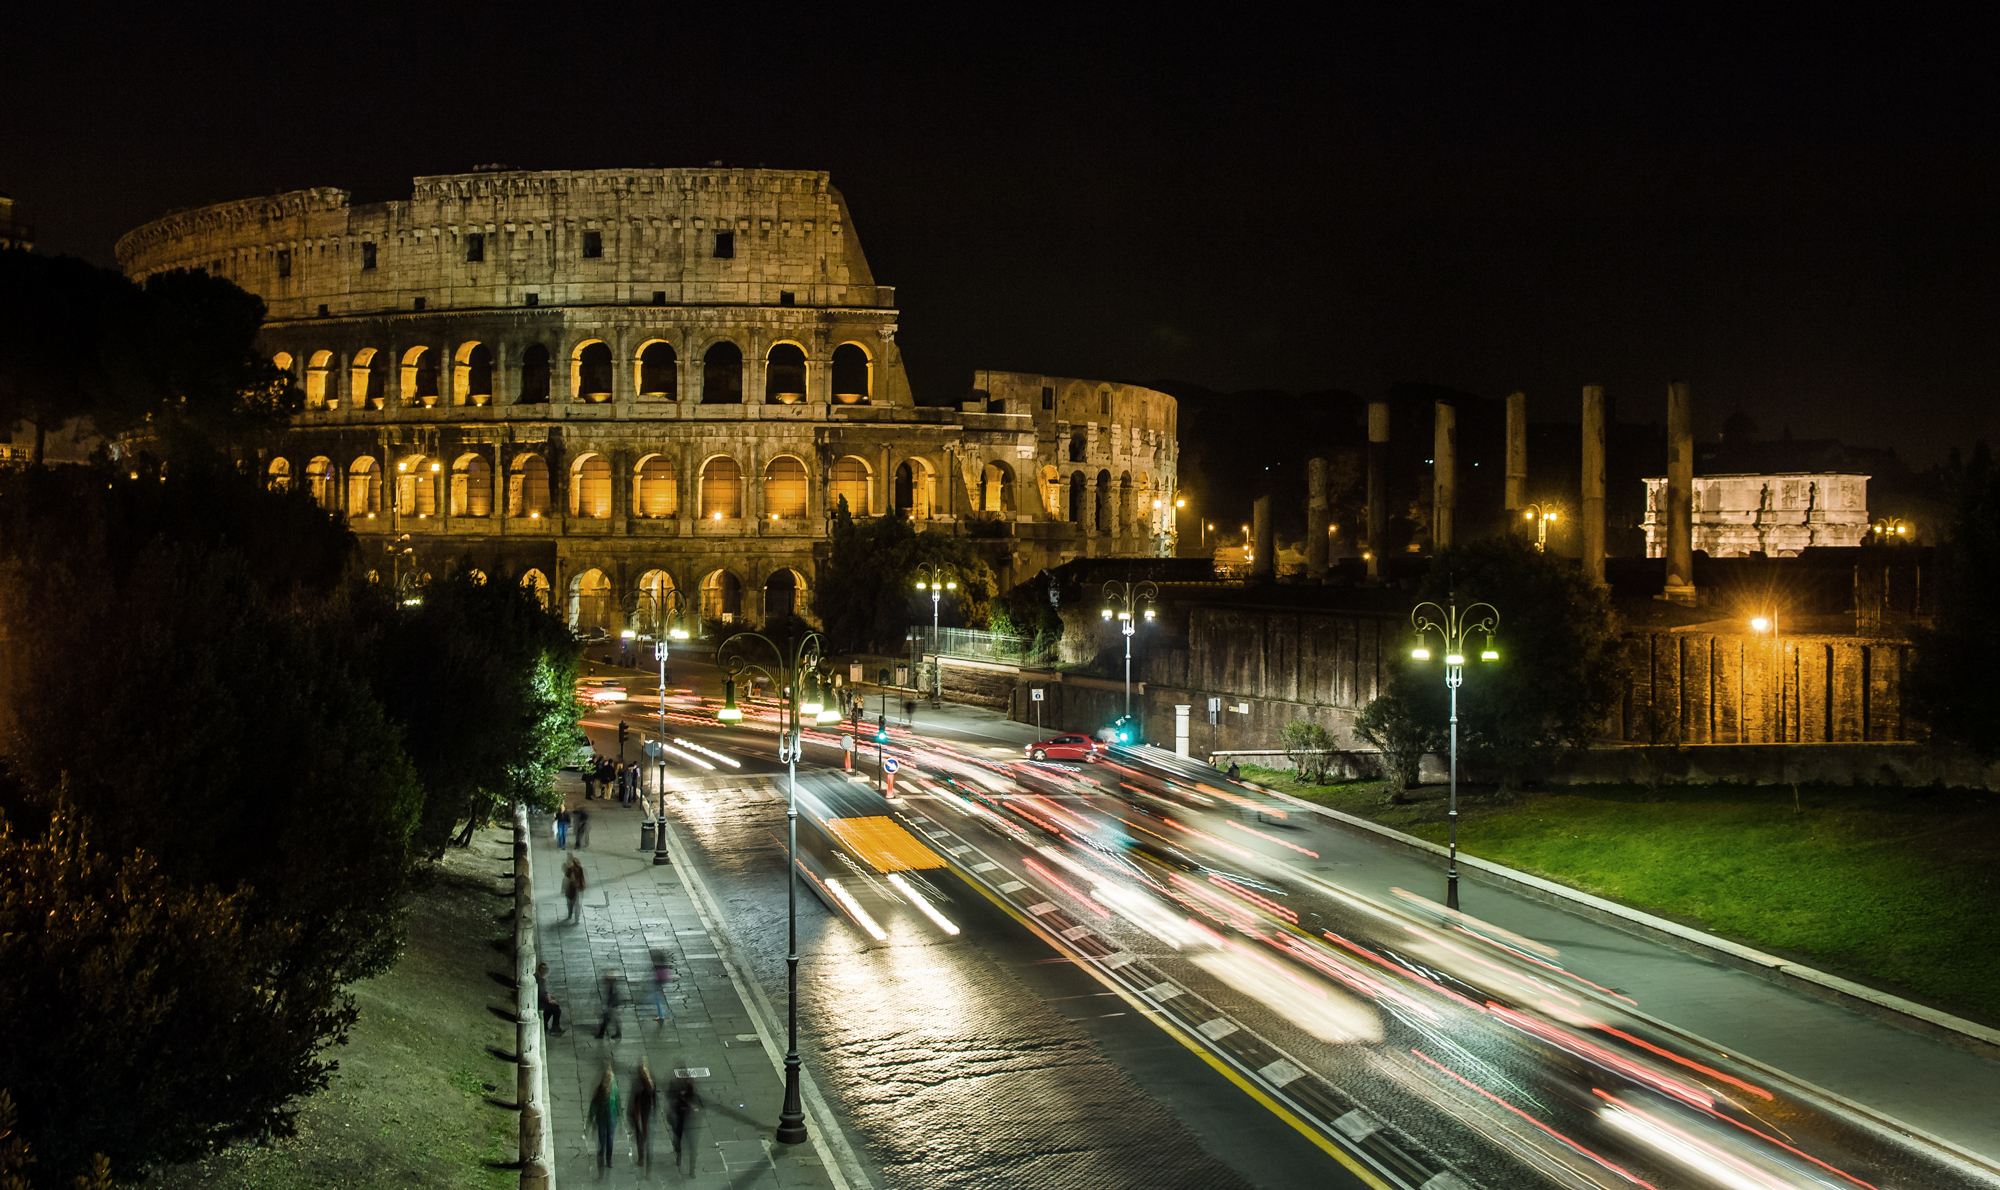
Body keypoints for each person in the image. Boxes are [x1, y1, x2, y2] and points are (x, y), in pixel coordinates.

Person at [586, 1067, 619, 1173]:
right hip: (602, 1120)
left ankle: (608, 1159)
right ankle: (601, 1157)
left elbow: (617, 1102)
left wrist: (620, 1116)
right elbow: (593, 1106)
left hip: (611, 1119)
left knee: (610, 1140)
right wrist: (590, 1120)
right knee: (602, 1141)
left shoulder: (614, 1090)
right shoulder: (599, 1091)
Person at [665, 1074, 700, 1172]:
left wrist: (691, 1108)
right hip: (680, 1122)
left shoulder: (691, 1094)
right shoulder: (676, 1098)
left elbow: (698, 1105)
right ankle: (679, 1156)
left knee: (692, 1147)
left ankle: (692, 1169)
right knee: (678, 1142)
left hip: (689, 1122)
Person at [628, 1060, 657, 1172]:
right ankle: (641, 1157)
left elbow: (654, 1097)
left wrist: (655, 1109)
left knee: (649, 1140)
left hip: (648, 1113)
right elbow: (632, 1099)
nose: (645, 1074)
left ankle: (648, 1166)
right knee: (640, 1137)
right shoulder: (637, 1084)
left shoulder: (651, 1082)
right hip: (639, 1113)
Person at [594, 970, 624, 1040]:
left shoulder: (613, 986)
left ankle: (602, 1034)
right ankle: (603, 1034)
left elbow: (614, 996)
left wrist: (613, 1005)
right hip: (613, 1005)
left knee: (610, 1019)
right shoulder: (613, 985)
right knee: (609, 1020)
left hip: (613, 1006)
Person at [535, 961, 563, 1034]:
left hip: (540, 1000)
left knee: (554, 1006)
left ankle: (548, 1024)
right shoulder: (539, 980)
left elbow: (542, 992)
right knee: (556, 1009)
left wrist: (548, 995)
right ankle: (554, 1027)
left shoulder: (539, 978)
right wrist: (549, 1000)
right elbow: (539, 994)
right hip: (539, 1002)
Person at [649, 948, 676, 1022]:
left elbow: (658, 975)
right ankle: (668, 1013)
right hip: (661, 980)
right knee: (660, 999)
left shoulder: (657, 965)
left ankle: (661, 1015)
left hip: (658, 982)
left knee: (658, 999)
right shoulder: (662, 963)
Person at [561, 854, 585, 924]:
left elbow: (566, 880)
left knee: (573, 904)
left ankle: (573, 916)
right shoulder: (575, 869)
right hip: (575, 888)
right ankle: (573, 916)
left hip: (574, 889)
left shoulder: (574, 870)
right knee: (574, 904)